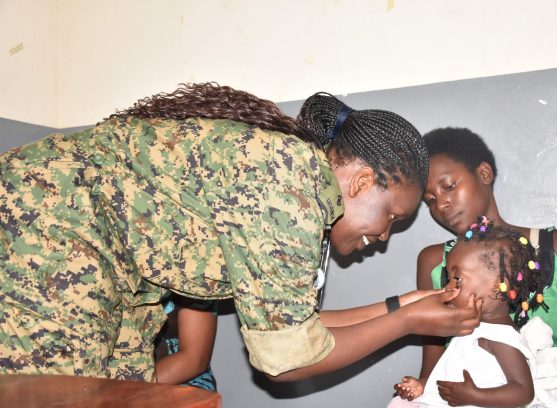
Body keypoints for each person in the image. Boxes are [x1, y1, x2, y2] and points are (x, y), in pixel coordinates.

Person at [0, 83, 482, 383]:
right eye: (392, 217)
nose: (383, 235)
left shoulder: (299, 189)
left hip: (112, 272)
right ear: (360, 182)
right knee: (59, 407)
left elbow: (300, 328)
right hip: (49, 232)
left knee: (120, 393)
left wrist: (406, 305)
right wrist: (406, 324)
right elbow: (289, 360)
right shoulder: (288, 185)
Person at [415, 127, 557, 408]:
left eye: (449, 186)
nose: (441, 205)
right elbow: (435, 369)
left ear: (484, 173)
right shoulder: (434, 265)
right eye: (430, 200)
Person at [362, 221, 538, 408]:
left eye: (457, 279)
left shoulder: (500, 337)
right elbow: (453, 376)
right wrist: (425, 386)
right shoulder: (470, 328)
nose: (447, 288)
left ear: (498, 286)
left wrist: (474, 395)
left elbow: (523, 391)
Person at [154, 294, 218, 408]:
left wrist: (123, 389)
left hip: (181, 384)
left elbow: (193, 360)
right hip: (113, 381)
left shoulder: (193, 278)